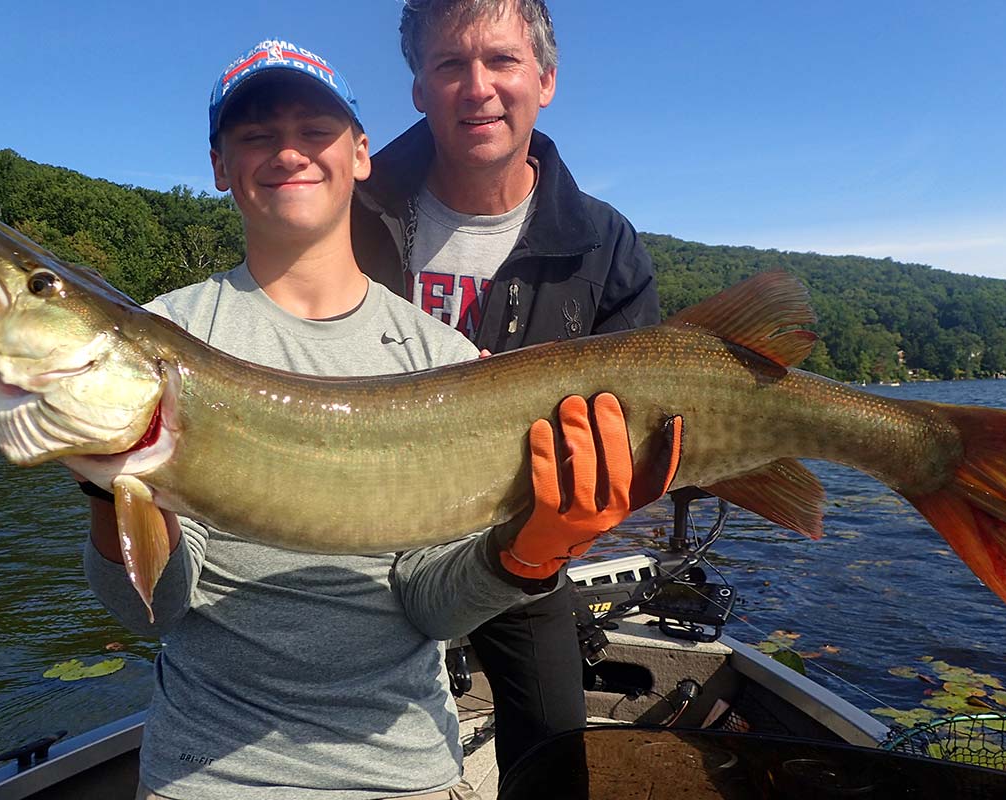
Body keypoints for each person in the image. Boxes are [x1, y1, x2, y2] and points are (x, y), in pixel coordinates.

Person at [78, 38, 674, 799]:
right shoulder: (163, 338)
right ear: (220, 168)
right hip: (206, 773)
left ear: (361, 154)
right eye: (256, 135)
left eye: (314, 131)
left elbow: (431, 603)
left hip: (403, 771)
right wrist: (109, 489)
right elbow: (156, 608)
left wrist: (539, 546)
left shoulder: (440, 355)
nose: (288, 152)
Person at [352, 0, 662, 778]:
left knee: (558, 754)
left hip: (520, 543)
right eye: (449, 65)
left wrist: (596, 506)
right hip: (356, 533)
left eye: (501, 61)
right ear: (418, 89)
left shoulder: (605, 243)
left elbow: (638, 435)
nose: (476, 86)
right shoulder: (348, 211)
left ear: (546, 80)